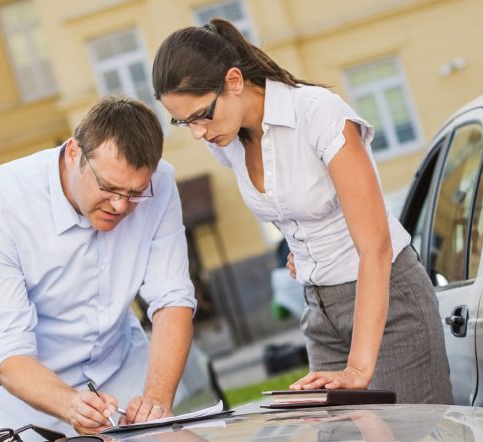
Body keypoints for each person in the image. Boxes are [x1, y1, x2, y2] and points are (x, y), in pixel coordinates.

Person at [153, 19, 451, 404]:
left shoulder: (318, 113)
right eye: (184, 122)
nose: (198, 132)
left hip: (390, 303)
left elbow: (375, 247)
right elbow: (292, 206)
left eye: (201, 114)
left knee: (413, 438)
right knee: (343, 441)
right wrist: (306, 251)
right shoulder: (226, 141)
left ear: (234, 80)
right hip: (319, 311)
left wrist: (358, 368)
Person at [0, 95, 197, 435]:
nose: (120, 206)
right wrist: (70, 404)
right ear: (74, 153)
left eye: (134, 193)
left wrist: (156, 399)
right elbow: (9, 350)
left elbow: (173, 299)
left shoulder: (160, 183)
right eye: (108, 187)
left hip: (123, 373)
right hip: (32, 402)